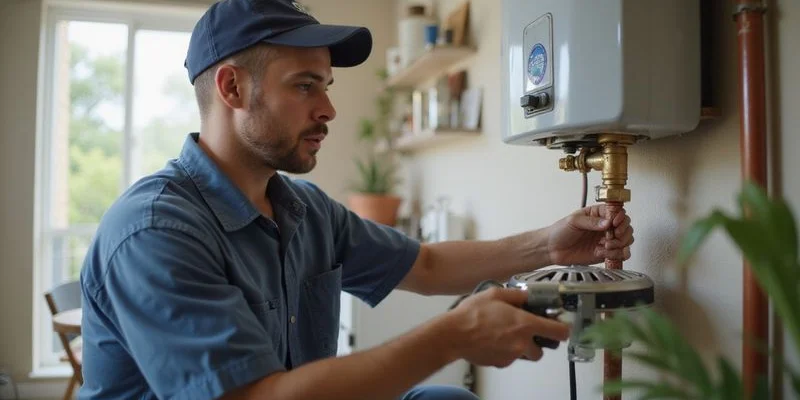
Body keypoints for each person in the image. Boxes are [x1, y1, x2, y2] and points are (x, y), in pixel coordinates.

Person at [77, 0, 634, 399]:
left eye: (326, 86)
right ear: (231, 88)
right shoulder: (156, 231)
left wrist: (550, 244)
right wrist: (453, 334)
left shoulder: (303, 209)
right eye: (304, 85)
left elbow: (427, 264)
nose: (328, 109)